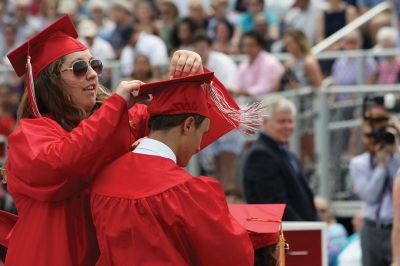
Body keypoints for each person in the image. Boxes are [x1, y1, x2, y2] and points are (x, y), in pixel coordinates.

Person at [2, 14, 203, 266]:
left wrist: (190, 77)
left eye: (94, 65)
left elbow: (190, 126)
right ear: (50, 83)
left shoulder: (118, 119)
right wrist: (116, 105)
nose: (92, 75)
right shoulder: (28, 136)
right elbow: (65, 161)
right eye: (79, 68)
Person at [90, 72, 255, 265]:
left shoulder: (103, 179)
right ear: (188, 125)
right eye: (202, 133)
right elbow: (234, 258)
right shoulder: (187, 190)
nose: (199, 147)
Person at [243, 95, 318, 221]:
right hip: (285, 235)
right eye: (282, 121)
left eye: (290, 121)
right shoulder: (261, 156)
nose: (288, 126)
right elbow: (276, 206)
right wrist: (305, 230)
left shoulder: (287, 154)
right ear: (265, 122)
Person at [350, 107, 400, 266]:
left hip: (396, 228)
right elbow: (370, 197)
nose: (373, 140)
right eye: (369, 136)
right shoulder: (359, 163)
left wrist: (393, 151)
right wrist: (382, 165)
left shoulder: (397, 159)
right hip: (372, 229)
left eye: (379, 135)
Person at [235, 31, 284, 96]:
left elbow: (266, 87)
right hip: (247, 103)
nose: (247, 49)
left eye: (251, 45)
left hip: (269, 102)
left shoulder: (269, 62)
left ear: (260, 45)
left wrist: (246, 92)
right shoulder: (243, 65)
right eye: (245, 46)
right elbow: (238, 86)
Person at [314, 196, 348, 266]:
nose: (319, 214)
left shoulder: (338, 230)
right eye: (315, 211)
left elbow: (330, 257)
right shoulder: (308, 229)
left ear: (329, 211)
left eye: (323, 211)